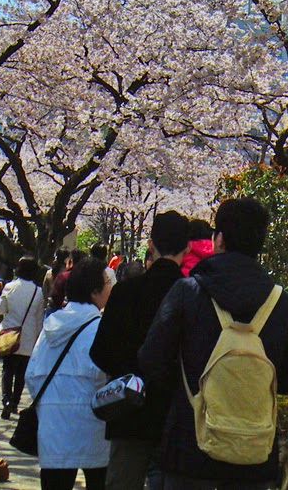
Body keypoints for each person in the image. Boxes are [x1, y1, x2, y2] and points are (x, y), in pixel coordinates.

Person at [138, 198, 288, 490]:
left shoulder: (187, 292)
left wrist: (189, 388)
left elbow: (151, 360)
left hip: (190, 450)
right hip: (253, 456)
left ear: (219, 239)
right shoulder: (282, 304)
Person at [90, 210, 190, 490]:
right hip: (177, 414)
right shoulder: (193, 295)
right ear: (187, 247)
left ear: (150, 244)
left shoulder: (125, 292)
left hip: (128, 411)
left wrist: (127, 372)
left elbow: (99, 352)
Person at [24, 256, 112, 490]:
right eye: (106, 281)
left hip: (53, 430)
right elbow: (107, 378)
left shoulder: (50, 327)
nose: (110, 286)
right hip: (93, 429)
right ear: (95, 291)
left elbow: (32, 375)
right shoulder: (100, 329)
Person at [0, 255, 45, 418]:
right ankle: (15, 402)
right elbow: (39, 318)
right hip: (28, 336)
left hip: (10, 333)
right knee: (21, 371)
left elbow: (1, 309)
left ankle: (6, 400)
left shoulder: (9, 287)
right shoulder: (38, 292)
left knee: (7, 369)